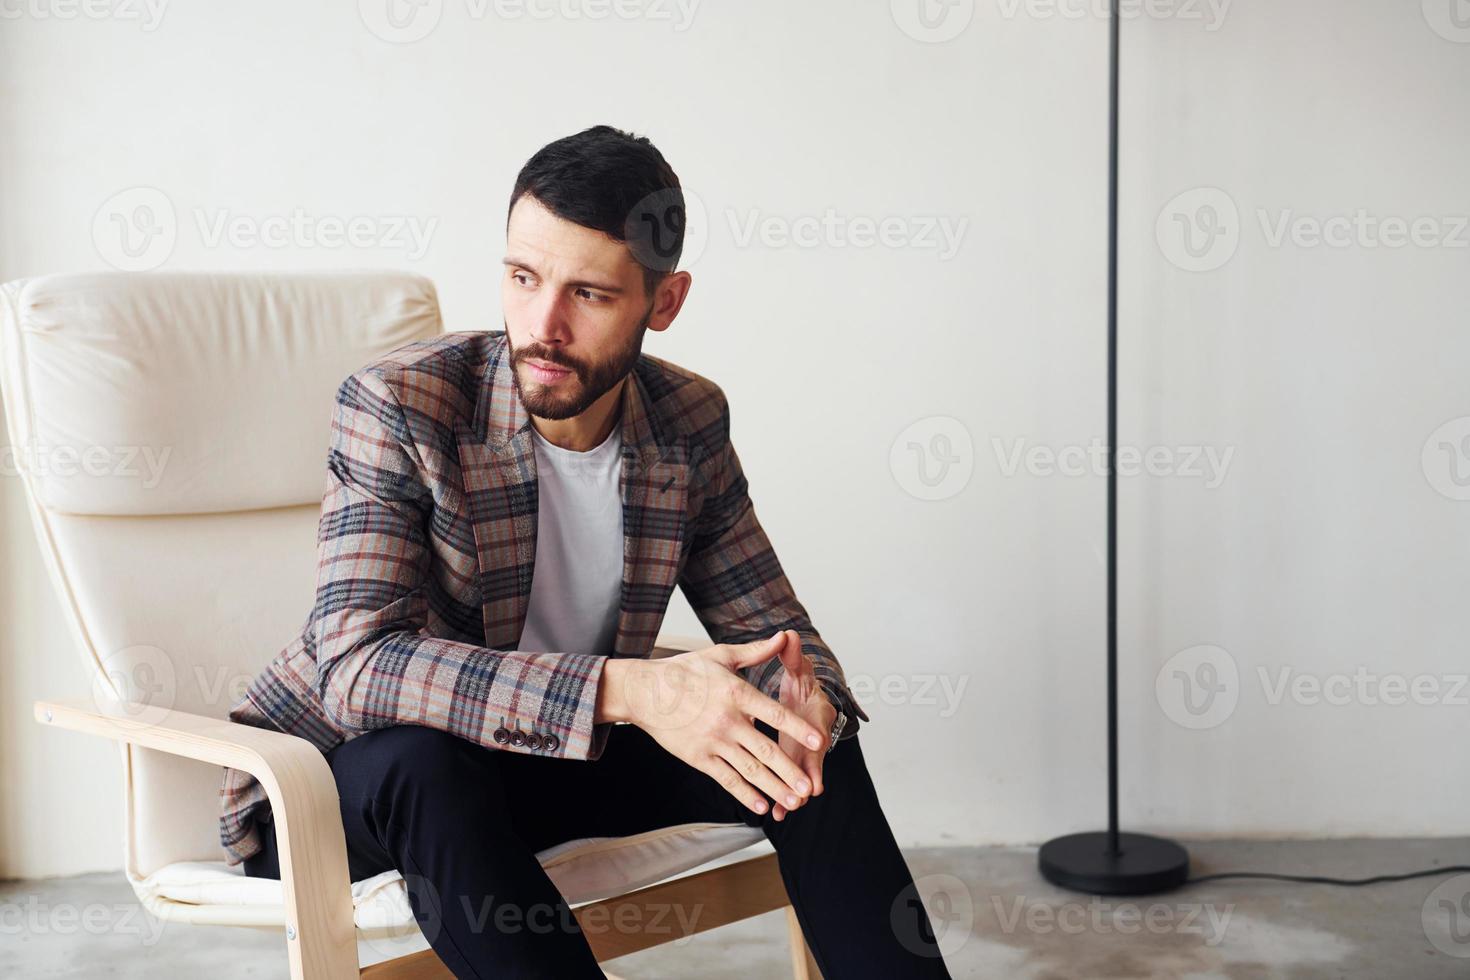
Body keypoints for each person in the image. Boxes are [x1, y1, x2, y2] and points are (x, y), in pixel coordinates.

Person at [220, 124, 952, 979]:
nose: (543, 325)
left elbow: (778, 628)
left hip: (547, 764)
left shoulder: (687, 422)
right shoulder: (403, 404)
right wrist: (631, 688)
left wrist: (811, 697)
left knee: (795, 735)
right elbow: (357, 663)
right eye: (523, 278)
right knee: (422, 763)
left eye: (591, 295)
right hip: (332, 787)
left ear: (664, 303)